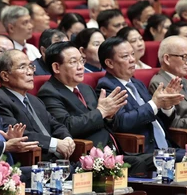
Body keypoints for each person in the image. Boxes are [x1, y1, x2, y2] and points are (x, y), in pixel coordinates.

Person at [38, 41, 153, 174]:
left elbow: (105, 122)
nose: (80, 67)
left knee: (160, 159)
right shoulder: (49, 92)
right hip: (87, 157)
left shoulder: (85, 89)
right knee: (138, 164)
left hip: (112, 152)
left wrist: (109, 116)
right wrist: (101, 112)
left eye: (81, 61)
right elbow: (67, 126)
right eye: (73, 62)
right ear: (56, 67)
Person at [96, 37, 184, 155]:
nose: (132, 59)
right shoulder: (107, 87)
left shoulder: (137, 83)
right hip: (145, 152)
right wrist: (154, 104)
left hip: (167, 146)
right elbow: (122, 122)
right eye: (125, 56)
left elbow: (158, 119)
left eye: (132, 54)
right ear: (110, 63)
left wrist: (166, 106)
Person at [0, 49, 76, 161]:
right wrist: (55, 144)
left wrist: (67, 138)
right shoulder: (0, 99)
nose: (30, 72)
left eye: (31, 66)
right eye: (22, 67)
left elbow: (55, 124)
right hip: (34, 160)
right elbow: (18, 134)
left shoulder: (34, 100)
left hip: (57, 159)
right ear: (5, 76)